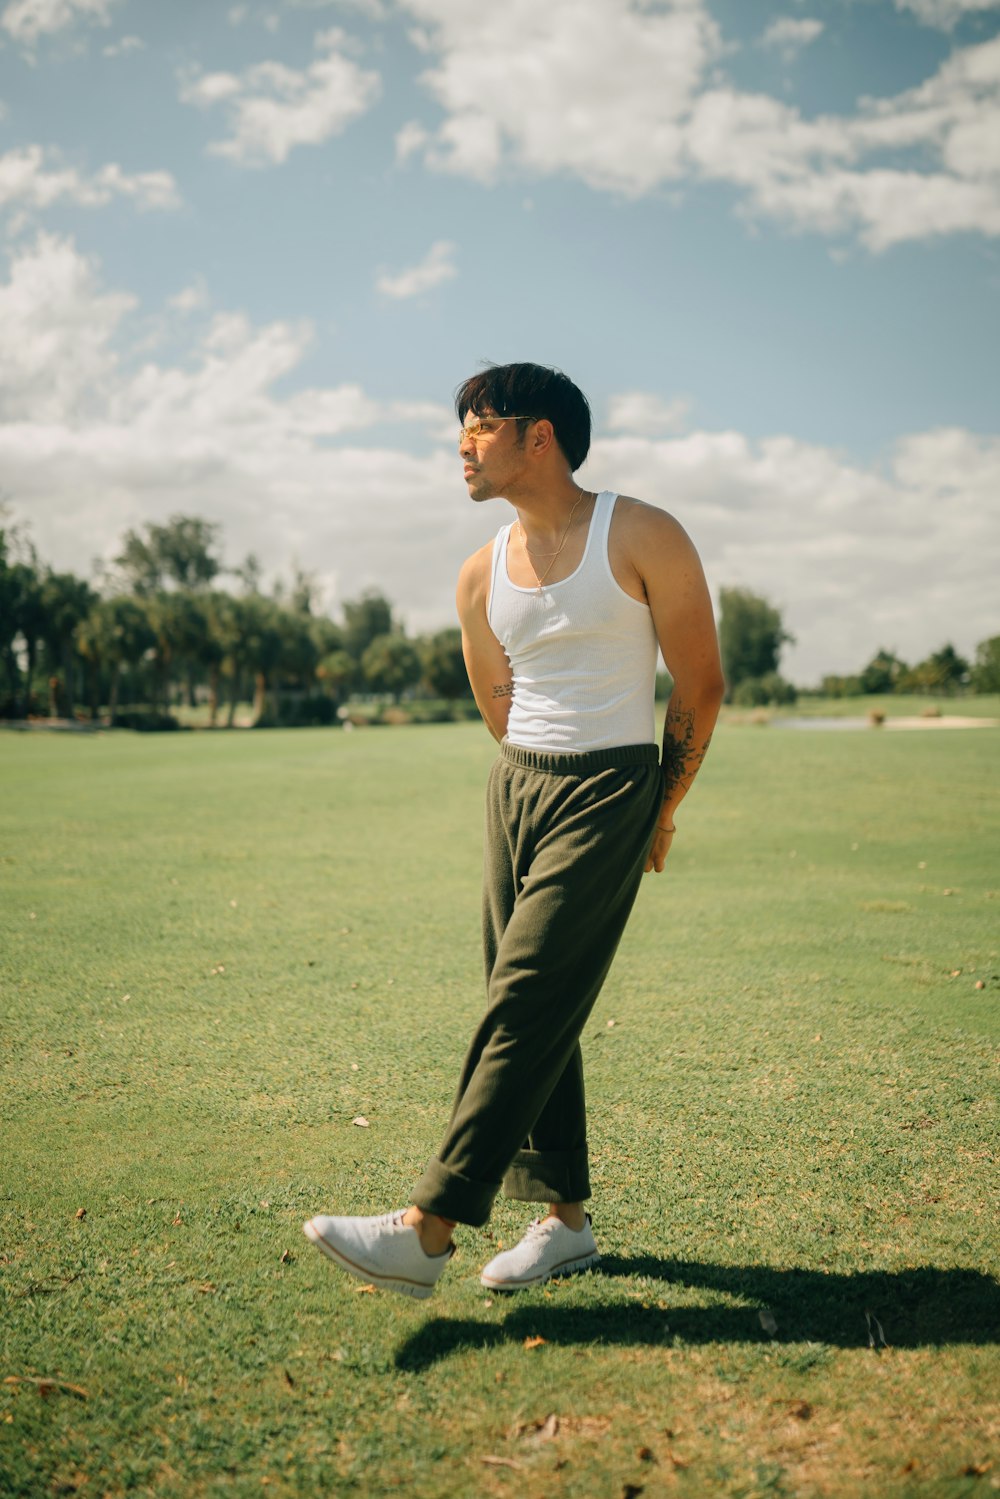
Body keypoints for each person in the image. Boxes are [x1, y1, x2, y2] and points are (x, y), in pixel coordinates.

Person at [304, 362, 724, 1298]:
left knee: (525, 996)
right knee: (535, 999)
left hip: (610, 786)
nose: (463, 442)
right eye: (461, 426)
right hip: (517, 788)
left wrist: (662, 806)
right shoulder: (476, 573)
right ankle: (565, 1221)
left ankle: (429, 1226)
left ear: (543, 436)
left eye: (482, 424)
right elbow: (499, 699)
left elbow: (700, 683)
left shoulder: (644, 533)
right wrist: (527, 775)